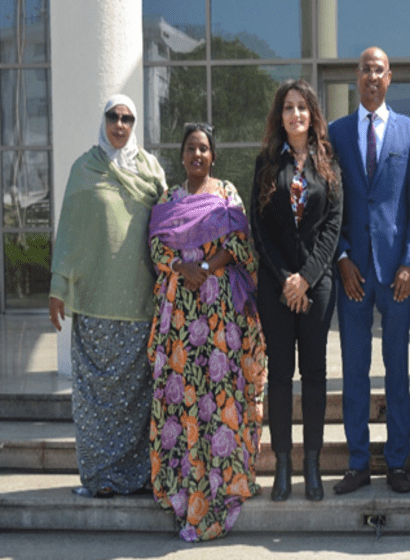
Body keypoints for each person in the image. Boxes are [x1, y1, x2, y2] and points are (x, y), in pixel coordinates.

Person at [147, 123, 267, 540]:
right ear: (181, 156)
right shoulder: (168, 199)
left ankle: (223, 482)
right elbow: (157, 246)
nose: (197, 154)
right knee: (184, 396)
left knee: (220, 393)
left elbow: (238, 242)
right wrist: (182, 268)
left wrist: (202, 268)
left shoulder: (227, 193)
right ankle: (186, 487)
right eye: (190, 149)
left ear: (213, 155)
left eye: (204, 149)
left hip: (219, 314)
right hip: (179, 314)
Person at [48, 94, 166, 498]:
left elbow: (169, 225)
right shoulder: (85, 169)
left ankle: (137, 477)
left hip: (139, 303)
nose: (120, 124)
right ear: (104, 120)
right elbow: (69, 233)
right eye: (113, 117)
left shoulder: (150, 170)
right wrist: (57, 289)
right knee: (96, 399)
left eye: (127, 118)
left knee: (137, 399)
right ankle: (100, 477)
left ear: (134, 124)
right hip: (95, 304)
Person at [328, 46, 410, 495]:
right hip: (353, 274)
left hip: (396, 275)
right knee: (354, 369)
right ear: (357, 76)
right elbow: (333, 207)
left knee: (395, 370)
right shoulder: (336, 133)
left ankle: (396, 462)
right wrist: (343, 257)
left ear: (390, 78)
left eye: (379, 70)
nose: (372, 76)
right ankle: (356, 462)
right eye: (365, 69)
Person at [251, 80, 343, 502]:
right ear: (280, 116)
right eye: (288, 108)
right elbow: (259, 229)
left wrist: (305, 277)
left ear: (312, 114)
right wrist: (287, 278)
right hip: (275, 286)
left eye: (302, 107)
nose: (295, 115)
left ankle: (312, 466)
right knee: (281, 375)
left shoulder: (328, 161)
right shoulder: (266, 162)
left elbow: (332, 226)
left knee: (315, 375)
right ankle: (283, 465)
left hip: (317, 286)